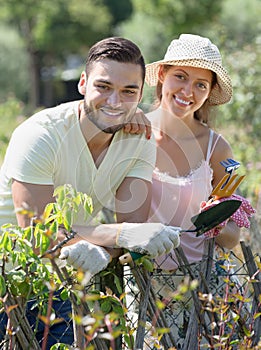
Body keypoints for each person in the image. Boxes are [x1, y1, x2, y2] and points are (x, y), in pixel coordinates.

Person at [0, 37, 181, 349]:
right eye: (104, 86)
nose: (115, 101)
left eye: (128, 92)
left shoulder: (139, 141)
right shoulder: (39, 135)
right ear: (83, 83)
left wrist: (106, 249)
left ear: (140, 96)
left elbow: (132, 231)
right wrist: (120, 234)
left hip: (66, 281)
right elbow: (37, 234)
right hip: (13, 280)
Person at [132, 34, 255, 348]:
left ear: (210, 92)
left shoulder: (217, 148)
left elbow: (232, 239)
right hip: (145, 287)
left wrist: (217, 222)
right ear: (162, 76)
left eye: (201, 84)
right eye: (180, 77)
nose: (188, 91)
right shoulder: (130, 134)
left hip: (206, 289)